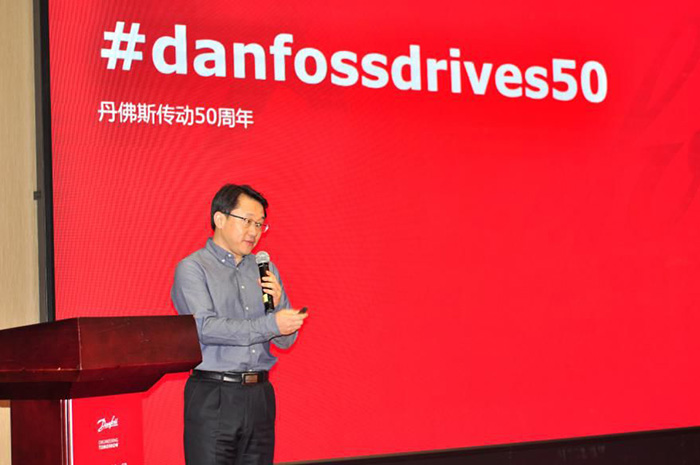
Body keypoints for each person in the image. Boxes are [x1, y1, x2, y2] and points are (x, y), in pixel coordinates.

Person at [171, 183, 308, 465]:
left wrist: (278, 305)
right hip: (214, 395)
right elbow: (205, 328)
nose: (254, 232)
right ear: (219, 219)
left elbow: (285, 341)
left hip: (260, 396)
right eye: (247, 221)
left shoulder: (264, 268)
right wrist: (270, 325)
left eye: (259, 224)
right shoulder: (193, 268)